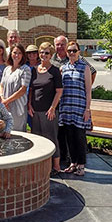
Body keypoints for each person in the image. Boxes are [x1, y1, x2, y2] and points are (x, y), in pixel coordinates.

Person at [51, 35, 96, 163]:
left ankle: (79, 163)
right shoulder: (56, 61)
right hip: (64, 105)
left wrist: (82, 92)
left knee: (79, 136)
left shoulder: (82, 63)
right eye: (57, 44)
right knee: (64, 134)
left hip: (78, 105)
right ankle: (67, 160)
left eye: (62, 44)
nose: (60, 47)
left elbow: (92, 74)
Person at [28, 42, 63, 176]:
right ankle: (42, 166)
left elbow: (59, 91)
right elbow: (31, 89)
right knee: (38, 138)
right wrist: (29, 105)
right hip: (35, 111)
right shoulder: (34, 70)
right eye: (42, 52)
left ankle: (56, 167)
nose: (44, 55)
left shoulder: (55, 71)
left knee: (51, 138)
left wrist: (53, 108)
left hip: (49, 111)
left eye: (47, 53)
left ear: (51, 54)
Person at [59, 41, 92, 176]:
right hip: (66, 107)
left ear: (79, 52)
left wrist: (88, 109)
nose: (72, 53)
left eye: (74, 50)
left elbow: (88, 90)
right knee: (69, 138)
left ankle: (81, 165)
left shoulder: (85, 68)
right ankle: (73, 163)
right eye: (69, 51)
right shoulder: (63, 68)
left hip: (79, 108)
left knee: (79, 137)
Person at [0, 43, 31, 132]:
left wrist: (7, 101)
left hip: (17, 107)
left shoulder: (25, 69)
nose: (17, 55)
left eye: (19, 53)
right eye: (14, 52)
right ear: (11, 54)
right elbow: (1, 85)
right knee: (5, 131)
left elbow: (23, 89)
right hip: (5, 106)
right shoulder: (7, 69)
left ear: (23, 55)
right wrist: (2, 99)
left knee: (17, 133)